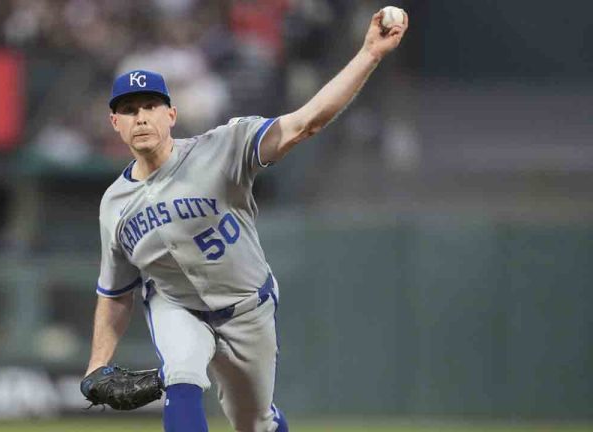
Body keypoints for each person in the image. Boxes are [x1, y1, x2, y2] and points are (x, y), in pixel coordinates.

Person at [83, 10, 408, 432]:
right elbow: (115, 293)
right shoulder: (114, 203)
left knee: (255, 423)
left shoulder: (222, 147)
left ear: (171, 115)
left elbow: (307, 122)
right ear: (115, 123)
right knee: (181, 374)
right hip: (176, 305)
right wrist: (96, 364)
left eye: (150, 106)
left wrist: (368, 54)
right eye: (128, 110)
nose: (140, 117)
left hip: (246, 310)